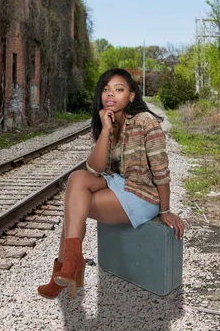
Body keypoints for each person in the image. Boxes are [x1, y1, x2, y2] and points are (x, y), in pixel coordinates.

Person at [37, 68, 184, 300]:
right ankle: (71, 264)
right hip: (118, 184)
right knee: (76, 179)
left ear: (132, 96)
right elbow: (94, 169)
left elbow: (160, 170)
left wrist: (165, 210)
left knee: (74, 207)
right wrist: (105, 130)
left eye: (119, 89)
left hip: (142, 195)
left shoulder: (145, 122)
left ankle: (67, 268)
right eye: (106, 89)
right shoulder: (106, 121)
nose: (110, 94)